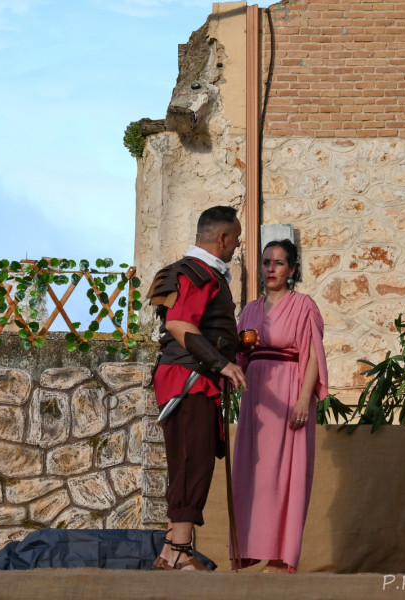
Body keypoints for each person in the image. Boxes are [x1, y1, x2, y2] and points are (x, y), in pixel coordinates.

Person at [146, 205, 248, 571]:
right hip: (189, 379)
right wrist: (223, 363)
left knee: (192, 460)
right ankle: (179, 551)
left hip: (195, 379)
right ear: (222, 238)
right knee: (193, 461)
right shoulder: (196, 273)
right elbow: (178, 324)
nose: (237, 246)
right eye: (235, 239)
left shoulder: (204, 274)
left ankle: (170, 549)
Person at [230, 239, 328, 574]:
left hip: (289, 395)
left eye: (279, 263)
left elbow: (313, 353)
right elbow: (240, 358)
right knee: (252, 474)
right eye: (266, 262)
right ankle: (250, 552)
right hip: (256, 398)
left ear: (293, 270)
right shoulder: (250, 310)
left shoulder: (304, 306)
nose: (271, 269)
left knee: (286, 475)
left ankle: (279, 555)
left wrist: (304, 397)